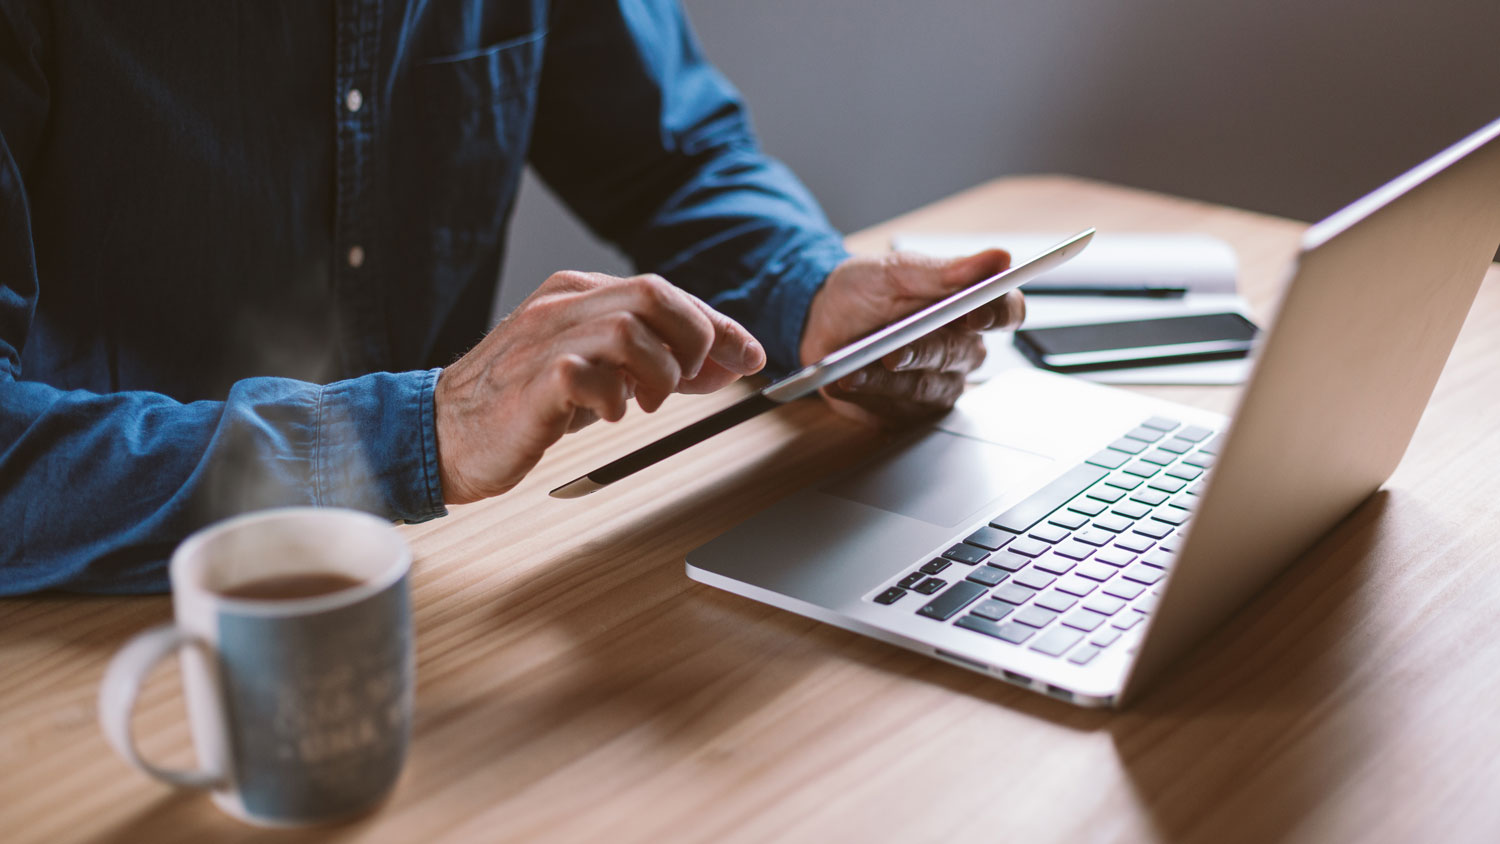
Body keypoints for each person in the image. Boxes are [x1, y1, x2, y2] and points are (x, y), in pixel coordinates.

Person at [0, 1, 1022, 594]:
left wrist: (810, 297)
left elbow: (675, 158)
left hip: (449, 582)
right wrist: (419, 431)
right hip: (117, 615)